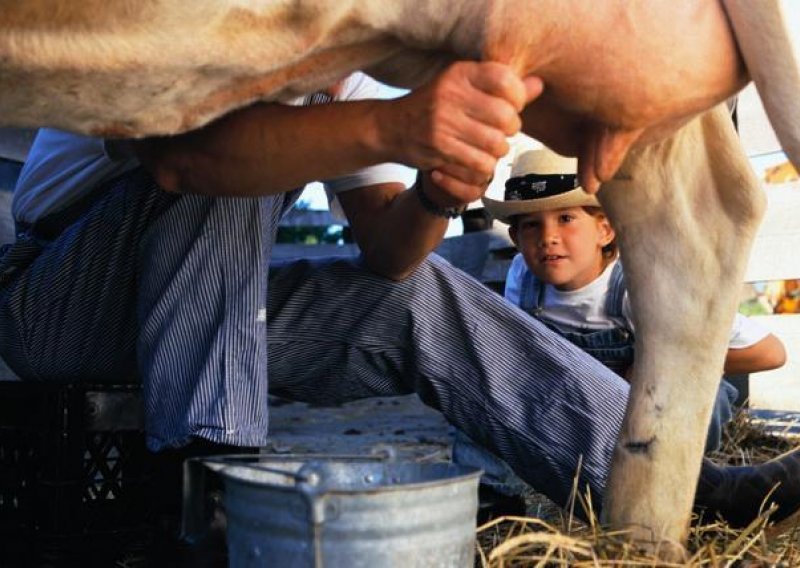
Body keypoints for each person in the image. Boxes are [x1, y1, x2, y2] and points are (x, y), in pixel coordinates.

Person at [0, 60, 799, 535]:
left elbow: (388, 254)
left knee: (415, 296)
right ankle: (216, 488)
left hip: (213, 308)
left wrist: (439, 192)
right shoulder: (198, 27)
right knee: (244, 125)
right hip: (61, 305)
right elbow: (183, 163)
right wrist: (395, 125)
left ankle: (666, 485)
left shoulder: (341, 75)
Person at [453, 147, 788, 519]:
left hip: (653, 406)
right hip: (584, 407)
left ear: (605, 228)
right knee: (483, 381)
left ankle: (683, 490)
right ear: (515, 236)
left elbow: (770, 353)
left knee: (692, 397)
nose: (547, 237)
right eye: (531, 224)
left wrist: (649, 364)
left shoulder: (641, 283)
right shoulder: (523, 277)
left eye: (565, 218)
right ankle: (491, 502)